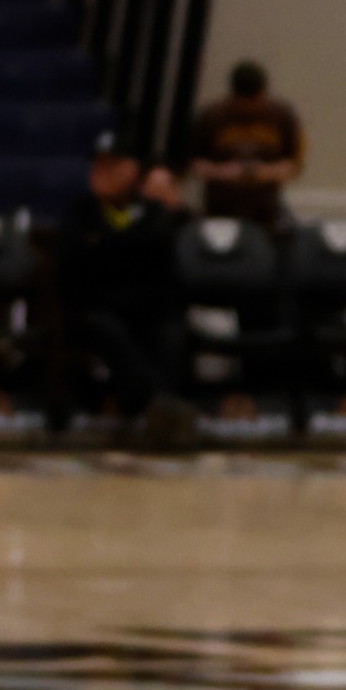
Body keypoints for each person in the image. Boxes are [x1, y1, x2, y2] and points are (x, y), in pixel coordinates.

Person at [57, 129, 194, 444]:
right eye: (97, 165)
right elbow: (73, 265)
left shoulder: (154, 212)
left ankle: (158, 412)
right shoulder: (79, 211)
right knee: (108, 329)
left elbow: (162, 259)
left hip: (145, 307)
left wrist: (104, 245)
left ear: (133, 170)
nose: (100, 173)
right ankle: (156, 406)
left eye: (111, 165)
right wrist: (128, 247)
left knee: (170, 331)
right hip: (94, 309)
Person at [189, 61, 304, 226]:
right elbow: (194, 164)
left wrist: (261, 173)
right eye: (243, 104)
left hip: (265, 208)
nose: (249, 108)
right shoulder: (211, 117)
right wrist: (222, 172)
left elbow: (293, 165)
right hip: (220, 205)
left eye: (255, 102)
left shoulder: (282, 117)